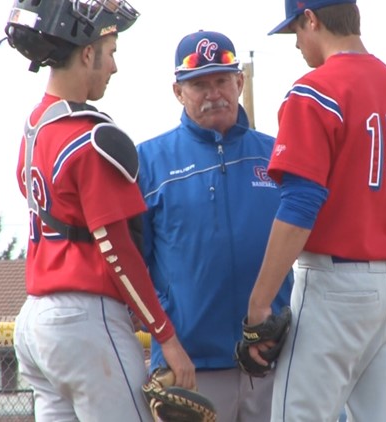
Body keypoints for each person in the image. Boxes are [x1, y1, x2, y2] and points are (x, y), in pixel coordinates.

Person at [245, 0, 386, 421]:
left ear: (312, 19)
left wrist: (260, 303)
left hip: (335, 287)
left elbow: (301, 203)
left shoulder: (314, 92)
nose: (298, 43)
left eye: (297, 31)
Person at [3, 1, 195, 420]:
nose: (114, 67)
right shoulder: (93, 138)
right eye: (111, 52)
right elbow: (118, 249)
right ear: (87, 53)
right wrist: (167, 337)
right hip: (84, 319)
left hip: (35, 321)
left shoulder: (35, 127)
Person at [136, 30, 294, 421]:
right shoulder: (148, 161)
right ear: (178, 91)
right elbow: (134, 267)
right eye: (199, 84)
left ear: (239, 82)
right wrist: (166, 340)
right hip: (190, 366)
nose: (213, 93)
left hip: (275, 357)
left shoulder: (278, 153)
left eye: (222, 80)